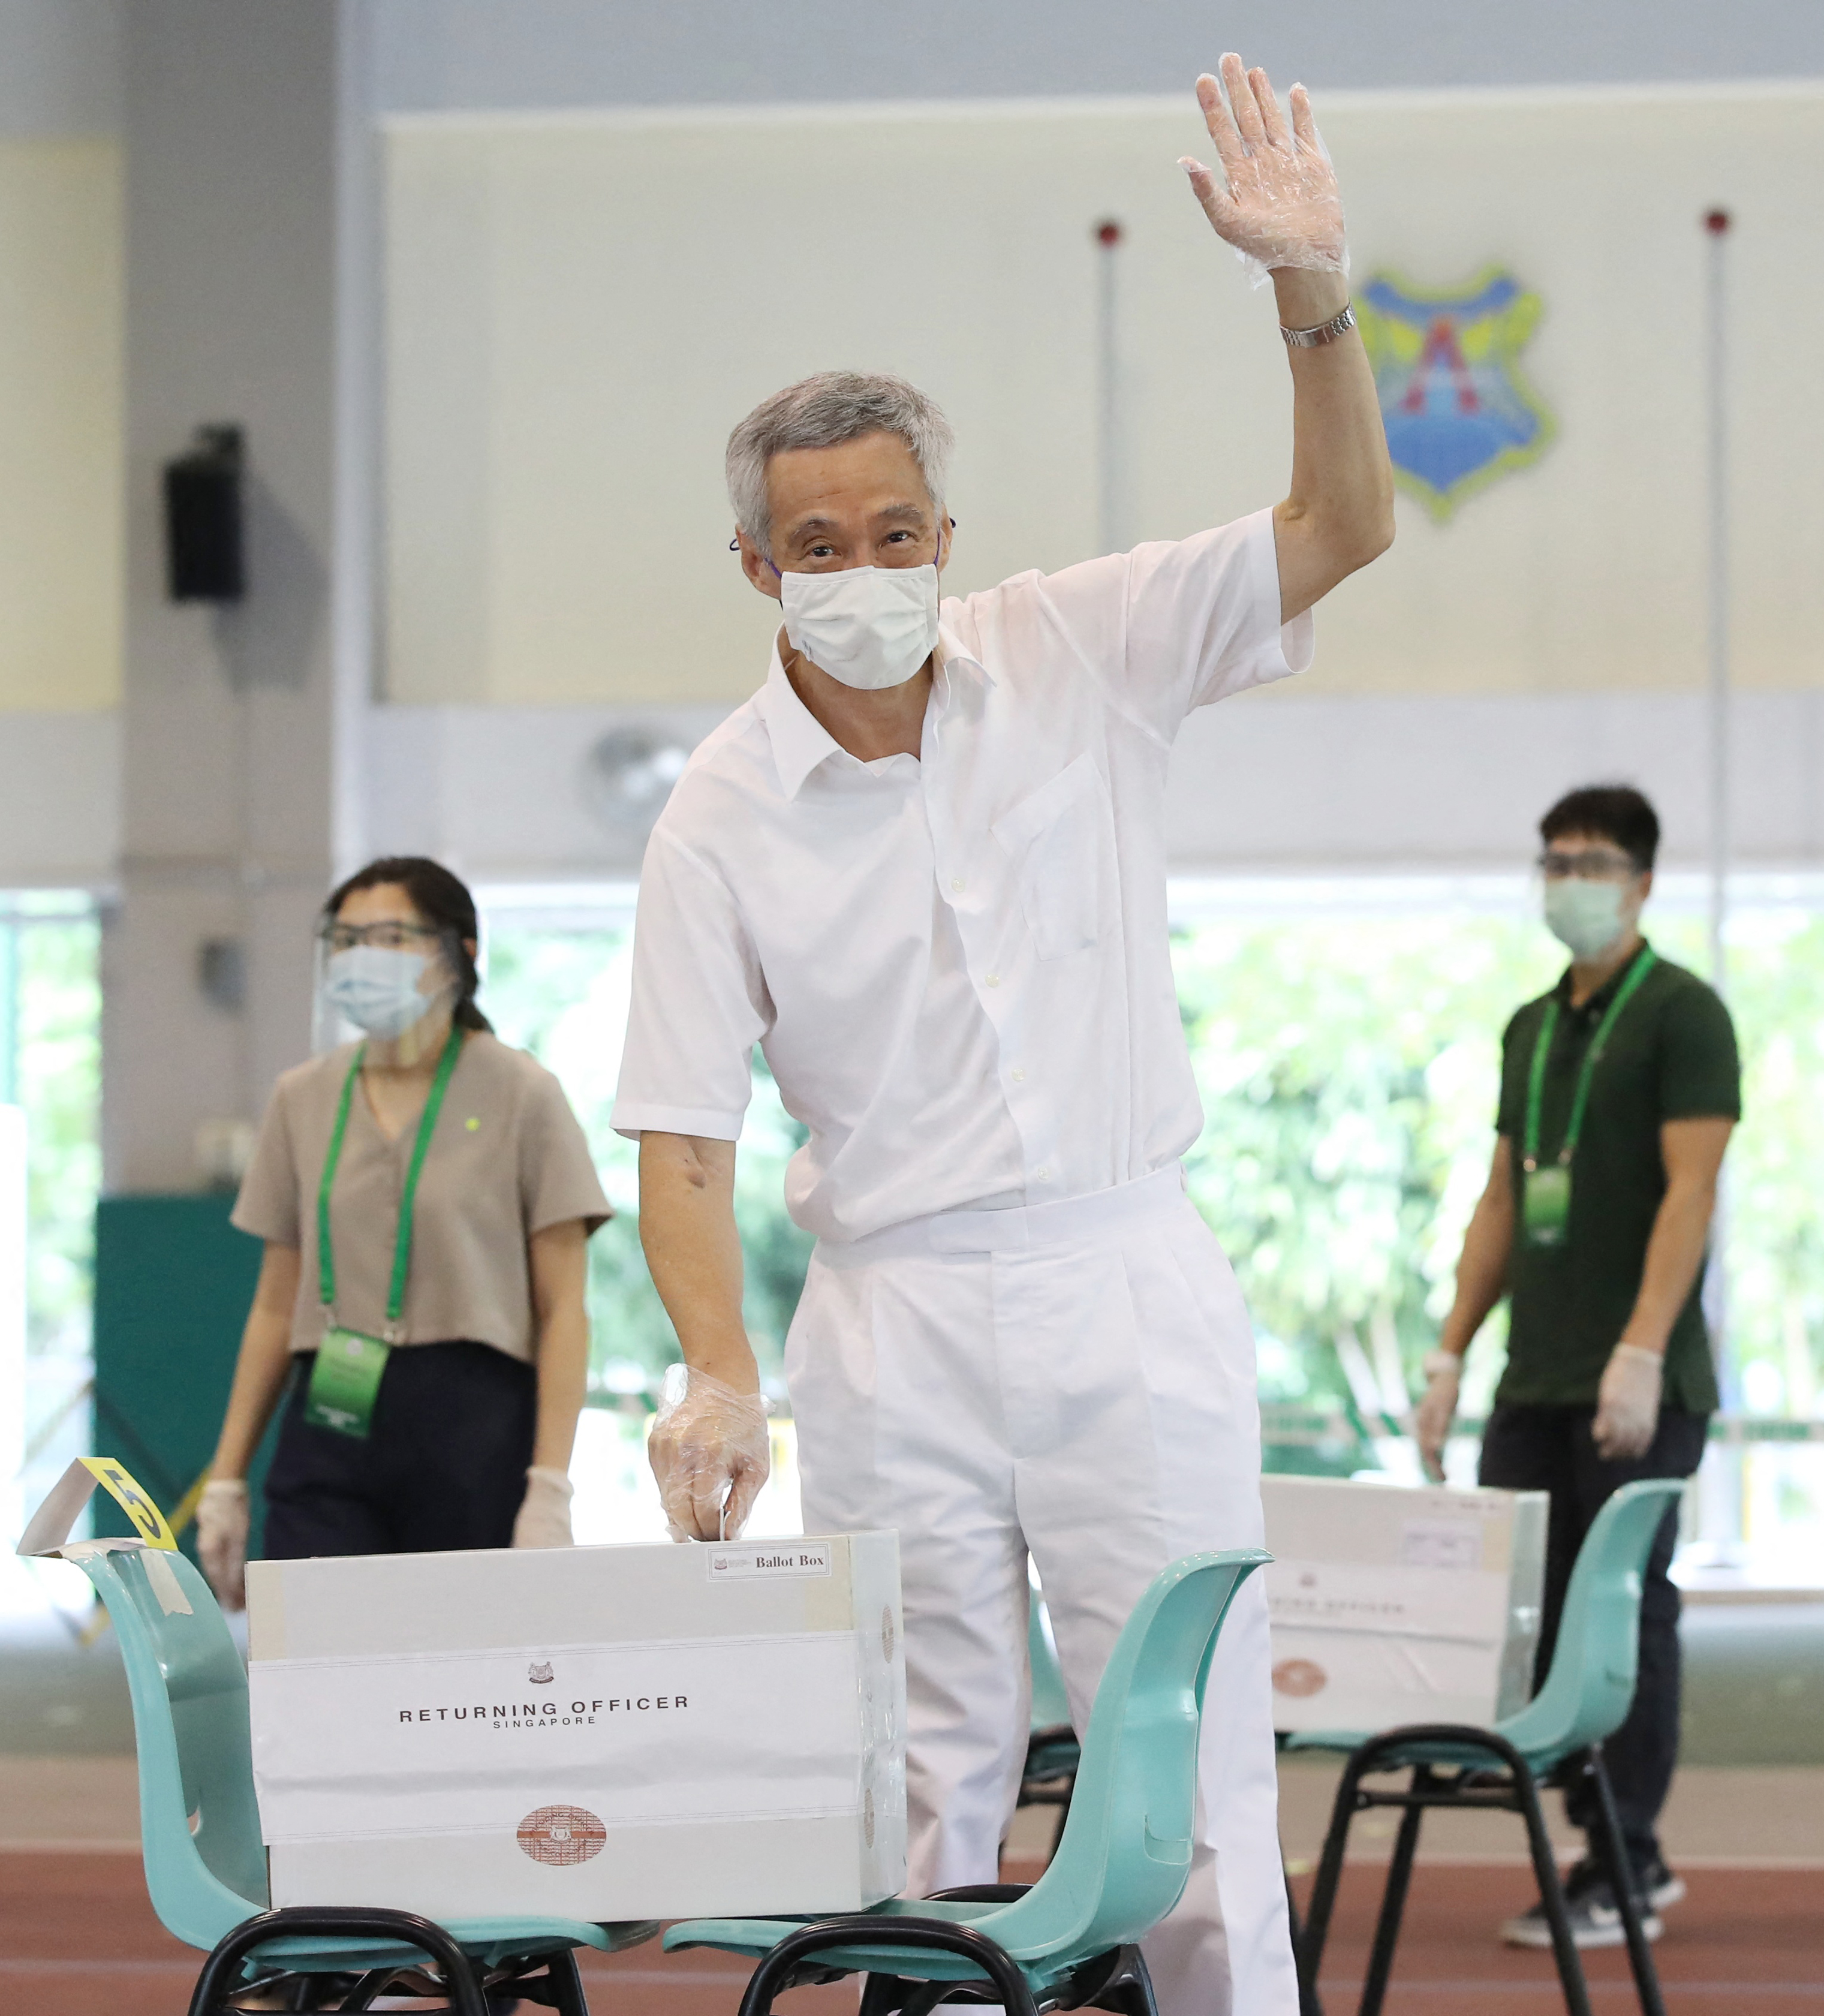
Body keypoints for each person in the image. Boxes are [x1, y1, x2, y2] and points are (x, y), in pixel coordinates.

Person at [613, 56, 1391, 2016]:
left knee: (1188, 1758)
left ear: (944, 531)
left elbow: (1342, 522)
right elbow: (683, 1135)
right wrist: (715, 1367)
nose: (858, 570)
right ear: (754, 566)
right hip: (887, 1316)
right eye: (815, 541)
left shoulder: (1088, 646)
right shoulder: (716, 806)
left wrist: (1312, 295)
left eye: (892, 530)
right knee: (915, 1783)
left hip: (1121, 1273)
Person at [1413, 783, 1739, 1951]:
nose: (1569, 881)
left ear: (1643, 880)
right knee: (1530, 1620)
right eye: (1552, 861)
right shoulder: (1529, 1026)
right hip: (1532, 1376)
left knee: (1626, 1610)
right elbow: (1503, 1194)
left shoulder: (1684, 1014)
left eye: (1592, 862)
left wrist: (1642, 1347)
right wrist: (1448, 1350)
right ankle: (1588, 1831)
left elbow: (1690, 1191)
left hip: (1638, 1378)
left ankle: (1629, 1855)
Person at [192, 857, 609, 1606]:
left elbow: (564, 1310)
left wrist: (550, 1485)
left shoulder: (523, 1093)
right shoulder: (303, 1096)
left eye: (389, 935)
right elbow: (271, 1305)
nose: (362, 958)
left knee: (460, 1670)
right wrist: (227, 1475)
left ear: (461, 951)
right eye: (346, 939)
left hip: (475, 1416)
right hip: (334, 1395)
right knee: (316, 1657)